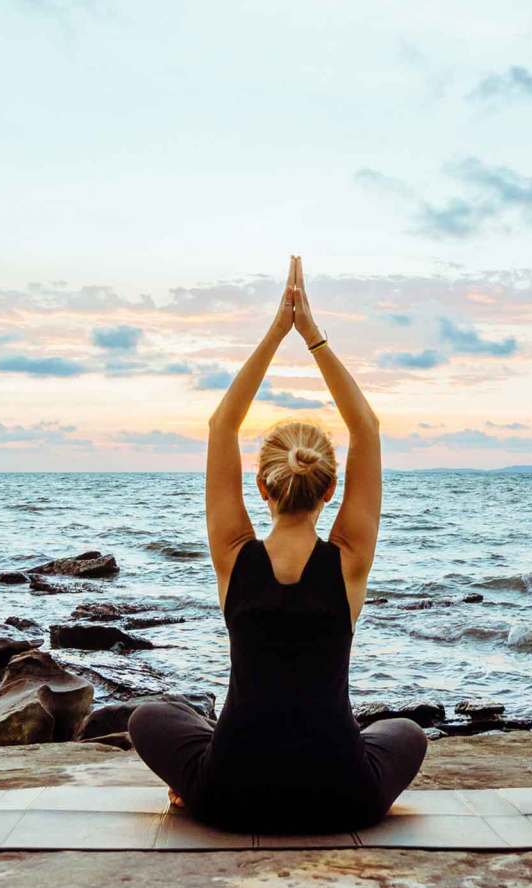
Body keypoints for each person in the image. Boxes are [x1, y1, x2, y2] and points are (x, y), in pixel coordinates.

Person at [129, 255, 427, 833]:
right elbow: (366, 427)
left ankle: (189, 791)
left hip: (231, 794)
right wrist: (311, 335)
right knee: (406, 733)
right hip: (342, 795)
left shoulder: (233, 554)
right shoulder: (348, 560)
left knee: (148, 716)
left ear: (261, 486)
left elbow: (221, 426)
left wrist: (276, 330)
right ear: (331, 488)